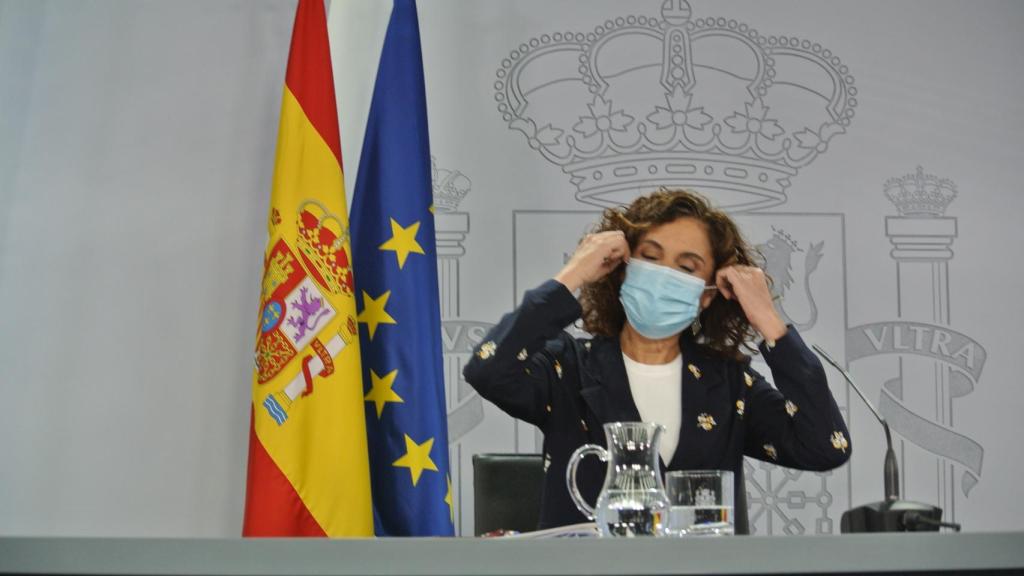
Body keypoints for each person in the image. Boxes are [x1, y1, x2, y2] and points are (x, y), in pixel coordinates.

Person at [463, 189, 850, 533]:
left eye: (686, 268)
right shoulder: (569, 366)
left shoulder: (729, 384)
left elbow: (825, 446)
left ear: (707, 294)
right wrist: (573, 273)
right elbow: (488, 370)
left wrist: (768, 320)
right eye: (650, 257)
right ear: (622, 269)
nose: (664, 275)